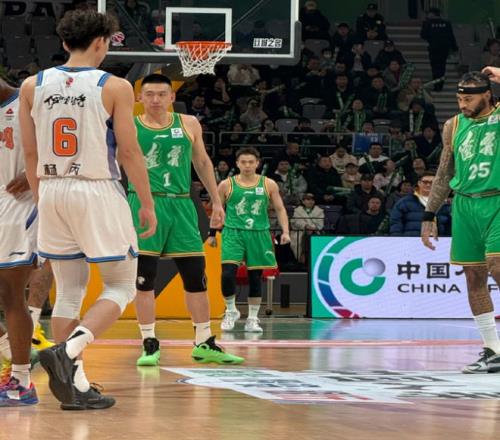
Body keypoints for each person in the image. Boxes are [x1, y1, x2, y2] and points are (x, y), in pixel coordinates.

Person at [19, 9, 157, 409]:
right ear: (102, 42)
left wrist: (43, 198)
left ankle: (75, 386)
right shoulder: (115, 86)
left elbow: (30, 152)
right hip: (95, 188)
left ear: (65, 43)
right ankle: (69, 351)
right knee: (121, 286)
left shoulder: (31, 85)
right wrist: (146, 202)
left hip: (51, 189)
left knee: (69, 292)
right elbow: (128, 151)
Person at [129, 74, 243, 366]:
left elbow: (202, 162)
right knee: (145, 277)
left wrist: (216, 201)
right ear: (140, 98)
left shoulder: (189, 123)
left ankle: (204, 341)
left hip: (181, 203)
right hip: (144, 203)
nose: (155, 99)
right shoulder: (129, 125)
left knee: (196, 275)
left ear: (172, 97)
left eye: (161, 94)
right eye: (149, 94)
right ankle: (149, 343)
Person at [422, 70, 500, 373]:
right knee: (473, 277)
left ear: (487, 95)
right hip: (465, 204)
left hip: (497, 199)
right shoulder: (453, 125)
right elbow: (444, 172)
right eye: (459, 99)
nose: (462, 104)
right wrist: (429, 214)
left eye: (468, 99)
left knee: (497, 266)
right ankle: (493, 350)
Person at [211, 147, 290, 332]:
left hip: (258, 233)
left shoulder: (269, 184)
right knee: (228, 273)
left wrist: (285, 231)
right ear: (237, 164)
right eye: (243, 162)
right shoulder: (226, 185)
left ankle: (253, 319)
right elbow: (217, 210)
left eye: (251, 162)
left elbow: (280, 209)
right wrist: (212, 233)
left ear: (257, 163)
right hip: (233, 232)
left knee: (255, 277)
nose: (247, 165)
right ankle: (231, 310)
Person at [0, 76, 40, 406]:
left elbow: (69, 147)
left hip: (19, 206)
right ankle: (11, 348)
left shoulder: (29, 100)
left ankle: (21, 380)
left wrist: (34, 172)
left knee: (10, 293)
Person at [392, 172, 450, 236]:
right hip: (410, 240)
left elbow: (450, 226)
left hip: (439, 240)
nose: (428, 185)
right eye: (425, 182)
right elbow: (395, 223)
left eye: (432, 182)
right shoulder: (404, 202)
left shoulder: (444, 204)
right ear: (419, 183)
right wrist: (397, 239)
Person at [420, 8, 458, 91]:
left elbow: (423, 35)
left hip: (433, 48)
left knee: (434, 67)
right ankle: (440, 85)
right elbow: (451, 36)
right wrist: (454, 48)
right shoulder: (446, 23)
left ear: (432, 14)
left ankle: (436, 85)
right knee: (442, 67)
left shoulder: (427, 23)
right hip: (444, 49)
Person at [290, 193, 324, 263]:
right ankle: (302, 258)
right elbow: (297, 222)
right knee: (303, 236)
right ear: (303, 201)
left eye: (312, 200)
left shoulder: (319, 211)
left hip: (315, 231)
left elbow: (320, 224)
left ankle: (311, 259)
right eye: (308, 200)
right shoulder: (297, 211)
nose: (310, 201)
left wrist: (312, 228)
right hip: (300, 231)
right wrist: (306, 226)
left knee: (310, 235)